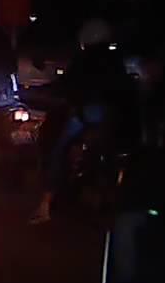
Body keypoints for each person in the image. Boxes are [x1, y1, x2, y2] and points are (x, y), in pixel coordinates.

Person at [29, 18, 139, 224]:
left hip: (88, 113)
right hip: (112, 118)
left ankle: (45, 204)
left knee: (59, 148)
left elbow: (66, 86)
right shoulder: (115, 60)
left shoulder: (84, 60)